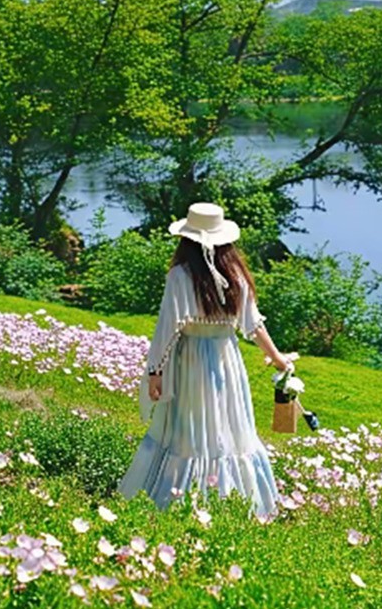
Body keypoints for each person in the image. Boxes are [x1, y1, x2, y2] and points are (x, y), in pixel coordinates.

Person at [118, 202, 292, 517]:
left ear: (188, 239)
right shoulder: (236, 275)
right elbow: (254, 326)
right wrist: (278, 359)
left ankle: (182, 496)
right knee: (227, 426)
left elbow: (167, 328)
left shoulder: (180, 275)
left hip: (191, 361)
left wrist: (156, 372)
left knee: (192, 430)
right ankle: (237, 500)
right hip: (227, 360)